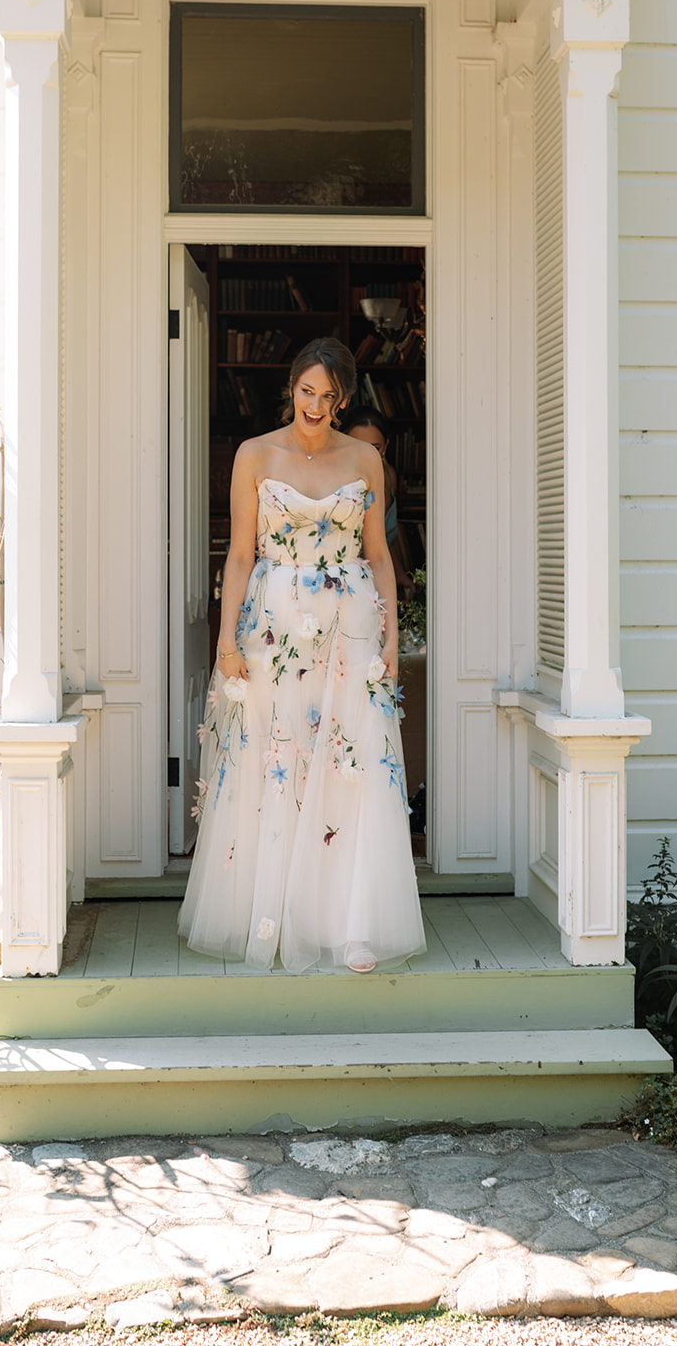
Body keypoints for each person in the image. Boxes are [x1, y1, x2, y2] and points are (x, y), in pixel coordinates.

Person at [178, 337, 426, 974]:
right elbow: (238, 553)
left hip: (351, 629)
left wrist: (392, 633)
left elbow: (377, 553)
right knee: (277, 762)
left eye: (329, 395)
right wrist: (226, 638)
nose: (316, 404)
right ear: (291, 389)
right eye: (306, 391)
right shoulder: (253, 454)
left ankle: (353, 926)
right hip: (274, 628)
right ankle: (276, 914)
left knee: (352, 765)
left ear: (343, 400)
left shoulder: (366, 458)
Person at [341, 404, 414, 598]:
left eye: (374, 448)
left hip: (380, 580)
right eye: (357, 445)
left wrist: (400, 576)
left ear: (386, 447)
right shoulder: (336, 483)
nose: (365, 455)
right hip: (347, 585)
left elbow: (383, 540)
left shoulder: (389, 476)